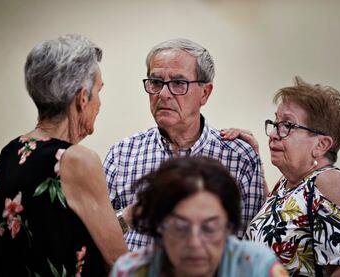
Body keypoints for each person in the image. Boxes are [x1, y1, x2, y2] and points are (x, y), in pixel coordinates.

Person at [104, 38, 265, 251]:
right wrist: (132, 215)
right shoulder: (122, 154)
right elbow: (97, 235)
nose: (163, 94)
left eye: (178, 83)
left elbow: (249, 246)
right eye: (156, 82)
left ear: (205, 93)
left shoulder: (239, 157)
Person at [0, 34, 127, 276]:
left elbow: (56, 231)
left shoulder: (10, 152)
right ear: (83, 98)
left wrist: (130, 216)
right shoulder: (76, 160)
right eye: (99, 91)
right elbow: (120, 263)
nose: (100, 103)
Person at [244, 76, 340, 276]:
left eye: (287, 125)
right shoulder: (289, 185)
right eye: (275, 123)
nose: (273, 134)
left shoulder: (329, 182)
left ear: (321, 145)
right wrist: (252, 156)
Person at [110, 156, 288, 277]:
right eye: (180, 228)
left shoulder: (257, 268)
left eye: (209, 228)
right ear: (160, 226)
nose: (195, 243)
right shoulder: (130, 271)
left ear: (229, 228)